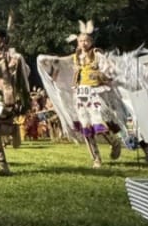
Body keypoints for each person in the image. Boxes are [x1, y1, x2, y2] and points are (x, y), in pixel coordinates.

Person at [39, 21, 123, 168]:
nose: (83, 43)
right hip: (81, 92)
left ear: (91, 42)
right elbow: (60, 61)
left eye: (86, 40)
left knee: (99, 123)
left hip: (95, 91)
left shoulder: (97, 54)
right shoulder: (75, 57)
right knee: (86, 126)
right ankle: (96, 158)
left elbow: (108, 67)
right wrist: (45, 59)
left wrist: (103, 74)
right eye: (81, 41)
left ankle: (114, 142)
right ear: (77, 42)